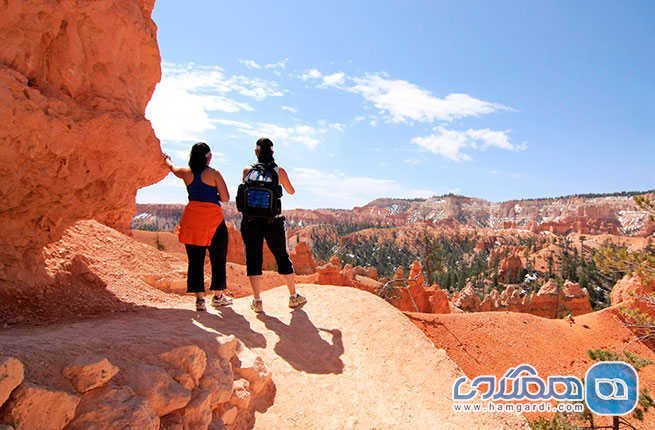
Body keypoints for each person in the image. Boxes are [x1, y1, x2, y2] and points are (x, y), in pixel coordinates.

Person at [239, 138, 306, 313]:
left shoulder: (247, 171)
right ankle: (293, 297)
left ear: (256, 152)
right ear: (272, 153)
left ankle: (257, 301)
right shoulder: (279, 171)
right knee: (282, 256)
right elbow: (291, 191)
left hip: (251, 221)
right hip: (273, 221)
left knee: (253, 258)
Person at [163, 142, 232, 311]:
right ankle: (217, 296)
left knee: (195, 259)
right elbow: (225, 198)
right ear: (208, 157)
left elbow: (173, 168)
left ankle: (199, 300)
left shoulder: (186, 173)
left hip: (192, 219)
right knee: (218, 257)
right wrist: (213, 193)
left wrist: (167, 161)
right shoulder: (213, 174)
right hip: (213, 220)